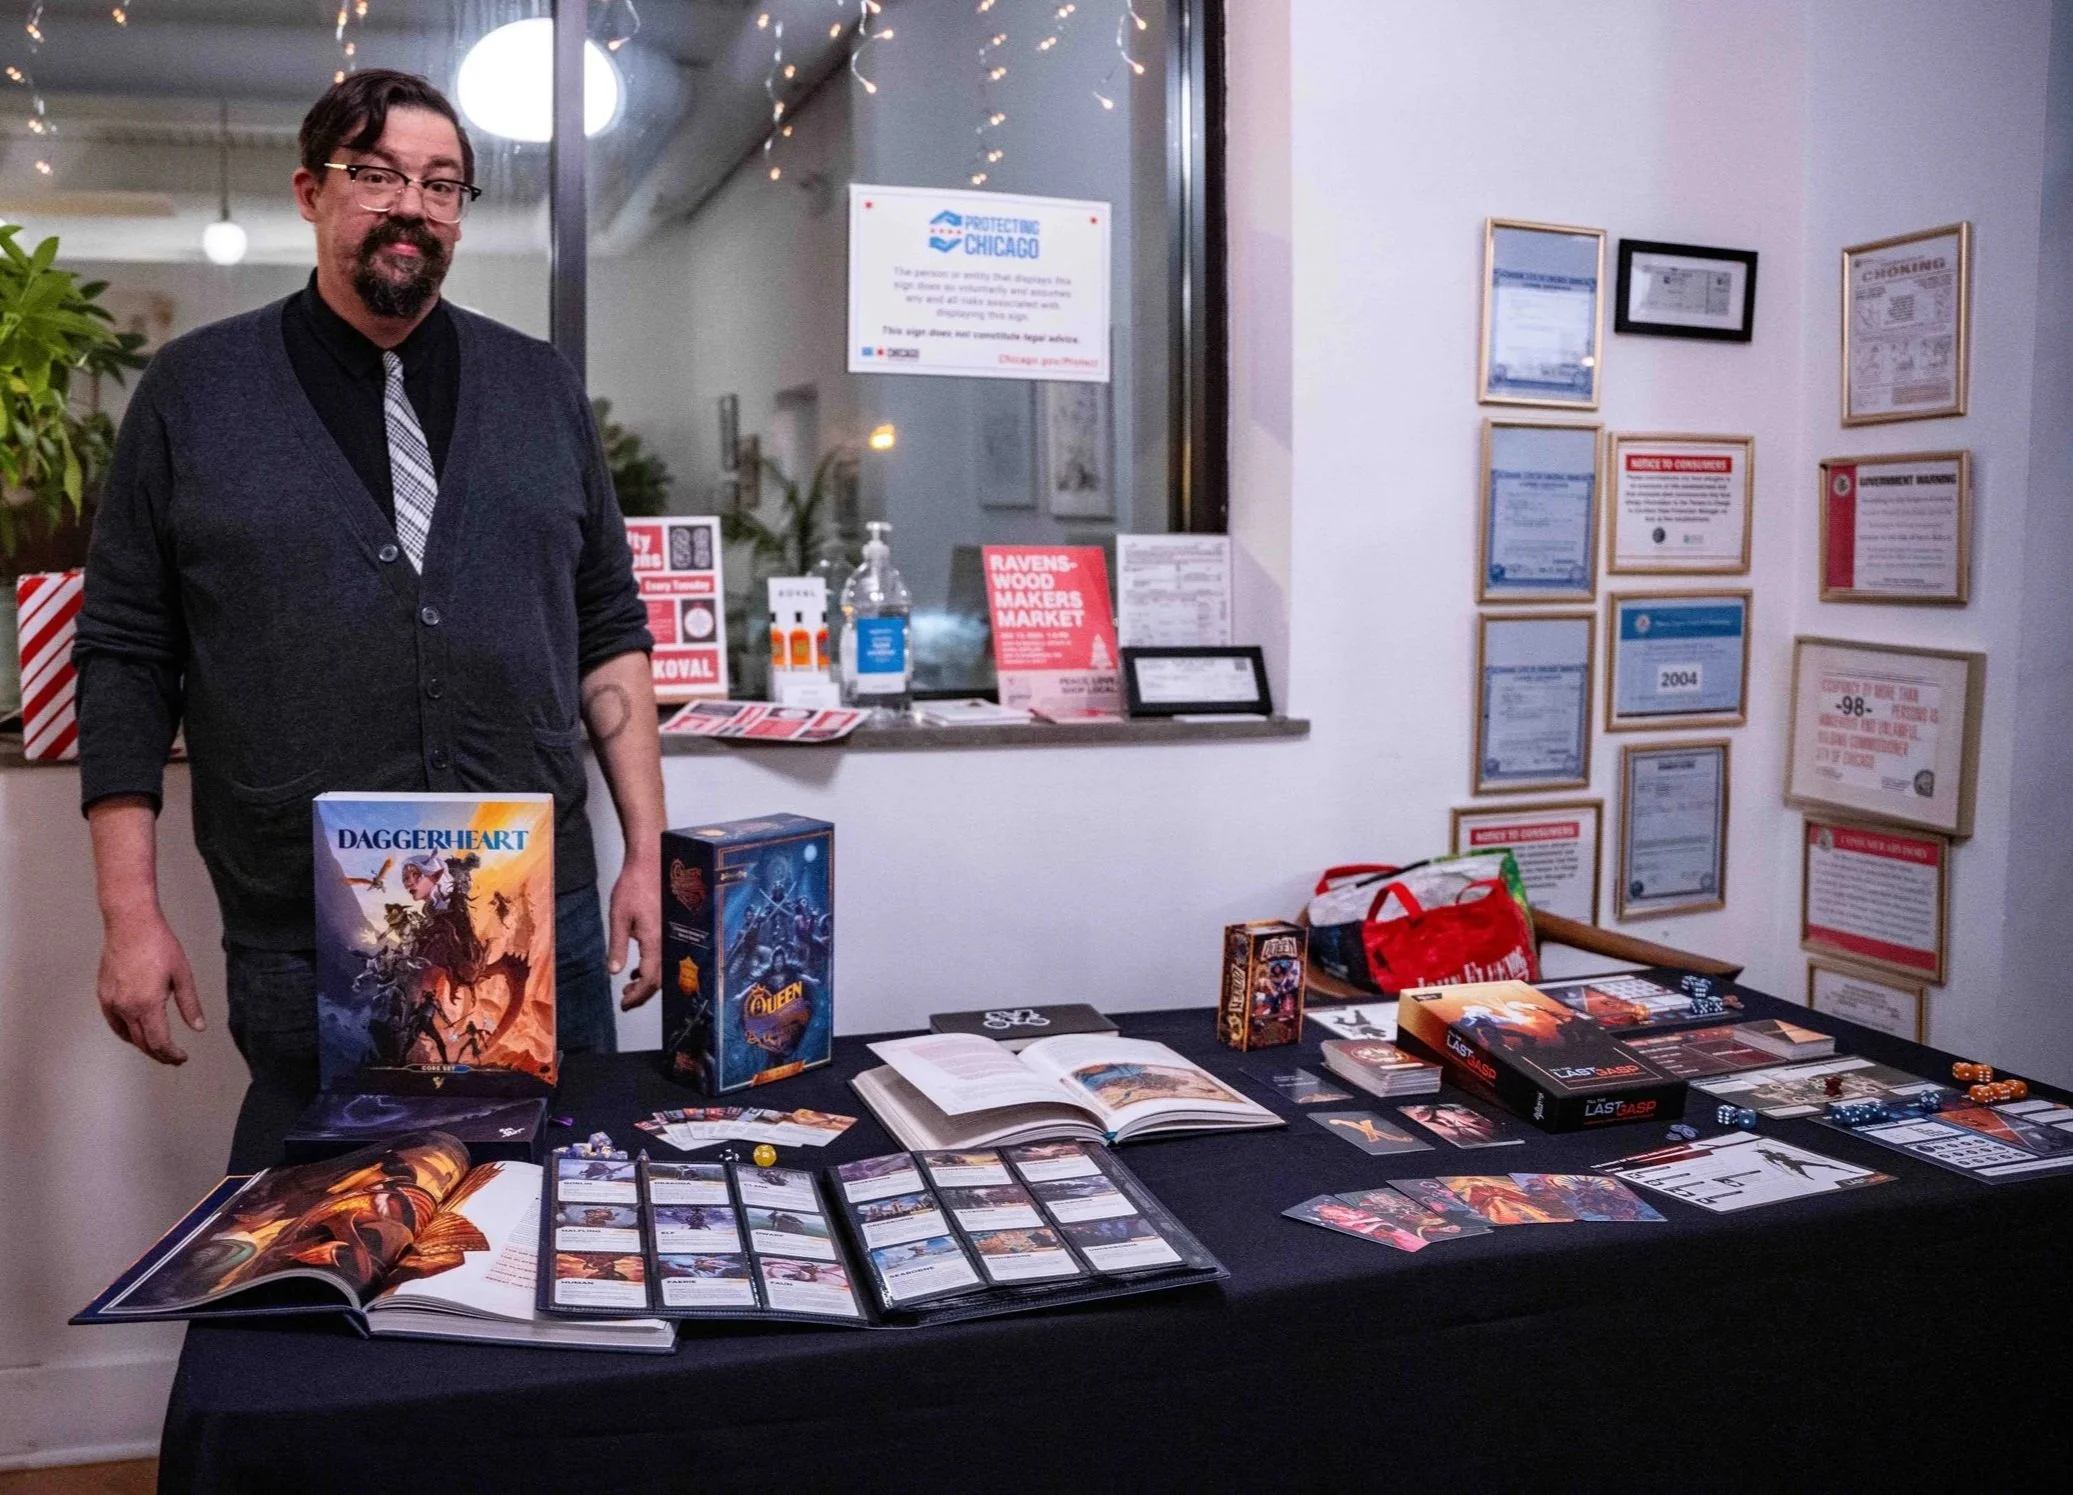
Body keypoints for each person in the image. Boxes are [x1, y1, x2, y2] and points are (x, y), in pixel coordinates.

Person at [75, 70, 664, 1085]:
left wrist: (648, 853)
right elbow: (127, 651)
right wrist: (130, 917)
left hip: (532, 913)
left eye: (442, 185)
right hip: (303, 916)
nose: (412, 208)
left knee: (559, 1201)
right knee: (331, 1214)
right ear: (311, 192)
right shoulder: (195, 393)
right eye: (378, 175)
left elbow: (607, 620)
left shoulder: (541, 387)